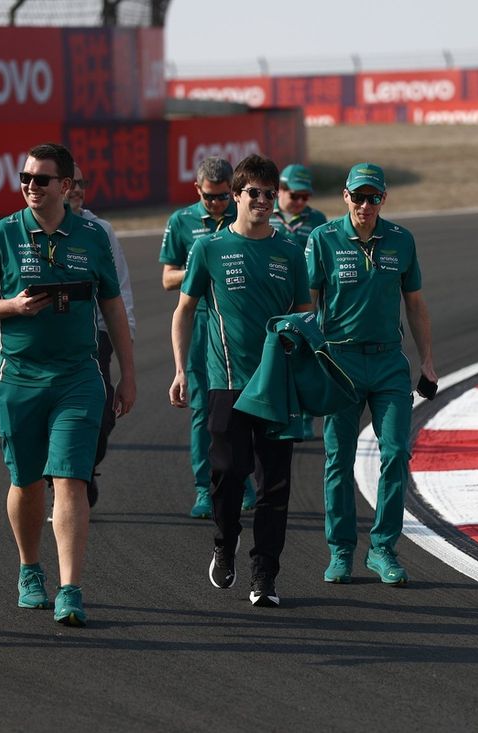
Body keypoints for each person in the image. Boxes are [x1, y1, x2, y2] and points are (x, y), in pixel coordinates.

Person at [0, 143, 136, 628]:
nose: (31, 187)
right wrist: (12, 307)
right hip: (17, 377)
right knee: (26, 481)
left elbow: (113, 309)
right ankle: (28, 568)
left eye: (41, 179)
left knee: (72, 478)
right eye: (24, 178)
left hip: (78, 376)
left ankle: (70, 588)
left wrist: (128, 374)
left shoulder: (93, 237)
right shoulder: (2, 235)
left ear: (65, 185)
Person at [169, 154, 311, 607]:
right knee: (229, 474)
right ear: (236, 196)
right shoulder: (209, 248)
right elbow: (184, 310)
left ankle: (264, 575)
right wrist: (178, 370)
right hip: (225, 382)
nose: (264, 201)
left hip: (277, 388)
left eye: (271, 194)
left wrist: (306, 366)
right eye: (255, 193)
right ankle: (224, 543)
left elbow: (305, 315)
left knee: (275, 487)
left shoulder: (290, 251)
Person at [306, 163, 437, 586]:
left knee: (397, 452)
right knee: (338, 459)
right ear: (344, 197)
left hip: (388, 364)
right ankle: (341, 550)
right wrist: (306, 361)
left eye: (373, 197)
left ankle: (382, 549)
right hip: (339, 362)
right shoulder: (322, 239)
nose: (365, 205)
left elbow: (414, 304)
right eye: (358, 197)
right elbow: (308, 306)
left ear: (384, 199)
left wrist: (428, 362)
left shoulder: (401, 240)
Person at [160, 156, 256, 519]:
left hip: (241, 322)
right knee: (203, 409)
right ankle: (205, 487)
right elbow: (168, 278)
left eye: (223, 197)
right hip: (201, 324)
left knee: (246, 406)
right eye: (210, 197)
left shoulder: (245, 213)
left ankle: (244, 479)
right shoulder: (181, 222)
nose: (217, 204)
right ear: (197, 190)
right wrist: (203, 266)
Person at [60, 164, 136, 510]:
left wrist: (126, 339)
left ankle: (84, 468)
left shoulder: (101, 231)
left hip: (96, 338)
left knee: (103, 417)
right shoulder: (22, 231)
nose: (76, 190)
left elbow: (120, 291)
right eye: (69, 184)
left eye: (81, 184)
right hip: (47, 343)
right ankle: (64, 481)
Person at [270, 164, 328, 439]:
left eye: (306, 197)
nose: (301, 202)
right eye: (295, 196)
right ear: (280, 190)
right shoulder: (264, 216)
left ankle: (304, 416)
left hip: (304, 298)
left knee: (303, 357)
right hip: (271, 296)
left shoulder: (317, 219)